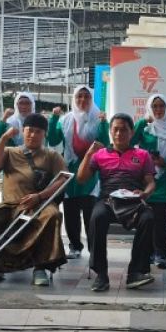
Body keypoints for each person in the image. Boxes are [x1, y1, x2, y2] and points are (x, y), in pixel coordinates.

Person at [0, 113, 69, 285]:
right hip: (11, 205)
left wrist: (40, 196)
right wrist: (3, 138)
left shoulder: (52, 155)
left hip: (40, 204)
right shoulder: (10, 152)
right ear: (23, 131)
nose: (33, 135)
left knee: (53, 215)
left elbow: (64, 179)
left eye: (38, 131)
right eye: (29, 130)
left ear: (44, 134)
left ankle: (41, 268)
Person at [77, 113, 155, 292]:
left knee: (148, 218)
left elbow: (150, 182)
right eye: (116, 130)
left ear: (131, 132)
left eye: (124, 130)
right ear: (110, 132)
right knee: (96, 217)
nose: (119, 134)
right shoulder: (100, 155)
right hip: (107, 200)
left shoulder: (142, 155)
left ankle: (135, 272)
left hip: (133, 202)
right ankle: (101, 274)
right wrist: (90, 153)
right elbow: (81, 179)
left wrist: (144, 193)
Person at [49, 86, 109, 260]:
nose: (82, 100)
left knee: (91, 214)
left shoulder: (98, 119)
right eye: (79, 96)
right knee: (71, 211)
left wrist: (104, 124)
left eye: (86, 97)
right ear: (74, 99)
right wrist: (54, 119)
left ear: (92, 99)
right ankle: (75, 246)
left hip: (90, 170)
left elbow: (105, 144)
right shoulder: (66, 120)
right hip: (70, 169)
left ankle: (93, 249)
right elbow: (53, 140)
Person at [131, 94, 166, 270]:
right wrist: (141, 122)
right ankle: (146, 253)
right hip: (147, 178)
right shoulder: (145, 129)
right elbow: (131, 142)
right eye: (154, 106)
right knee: (146, 218)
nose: (158, 110)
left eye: (161, 106)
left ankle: (161, 253)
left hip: (165, 179)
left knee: (162, 219)